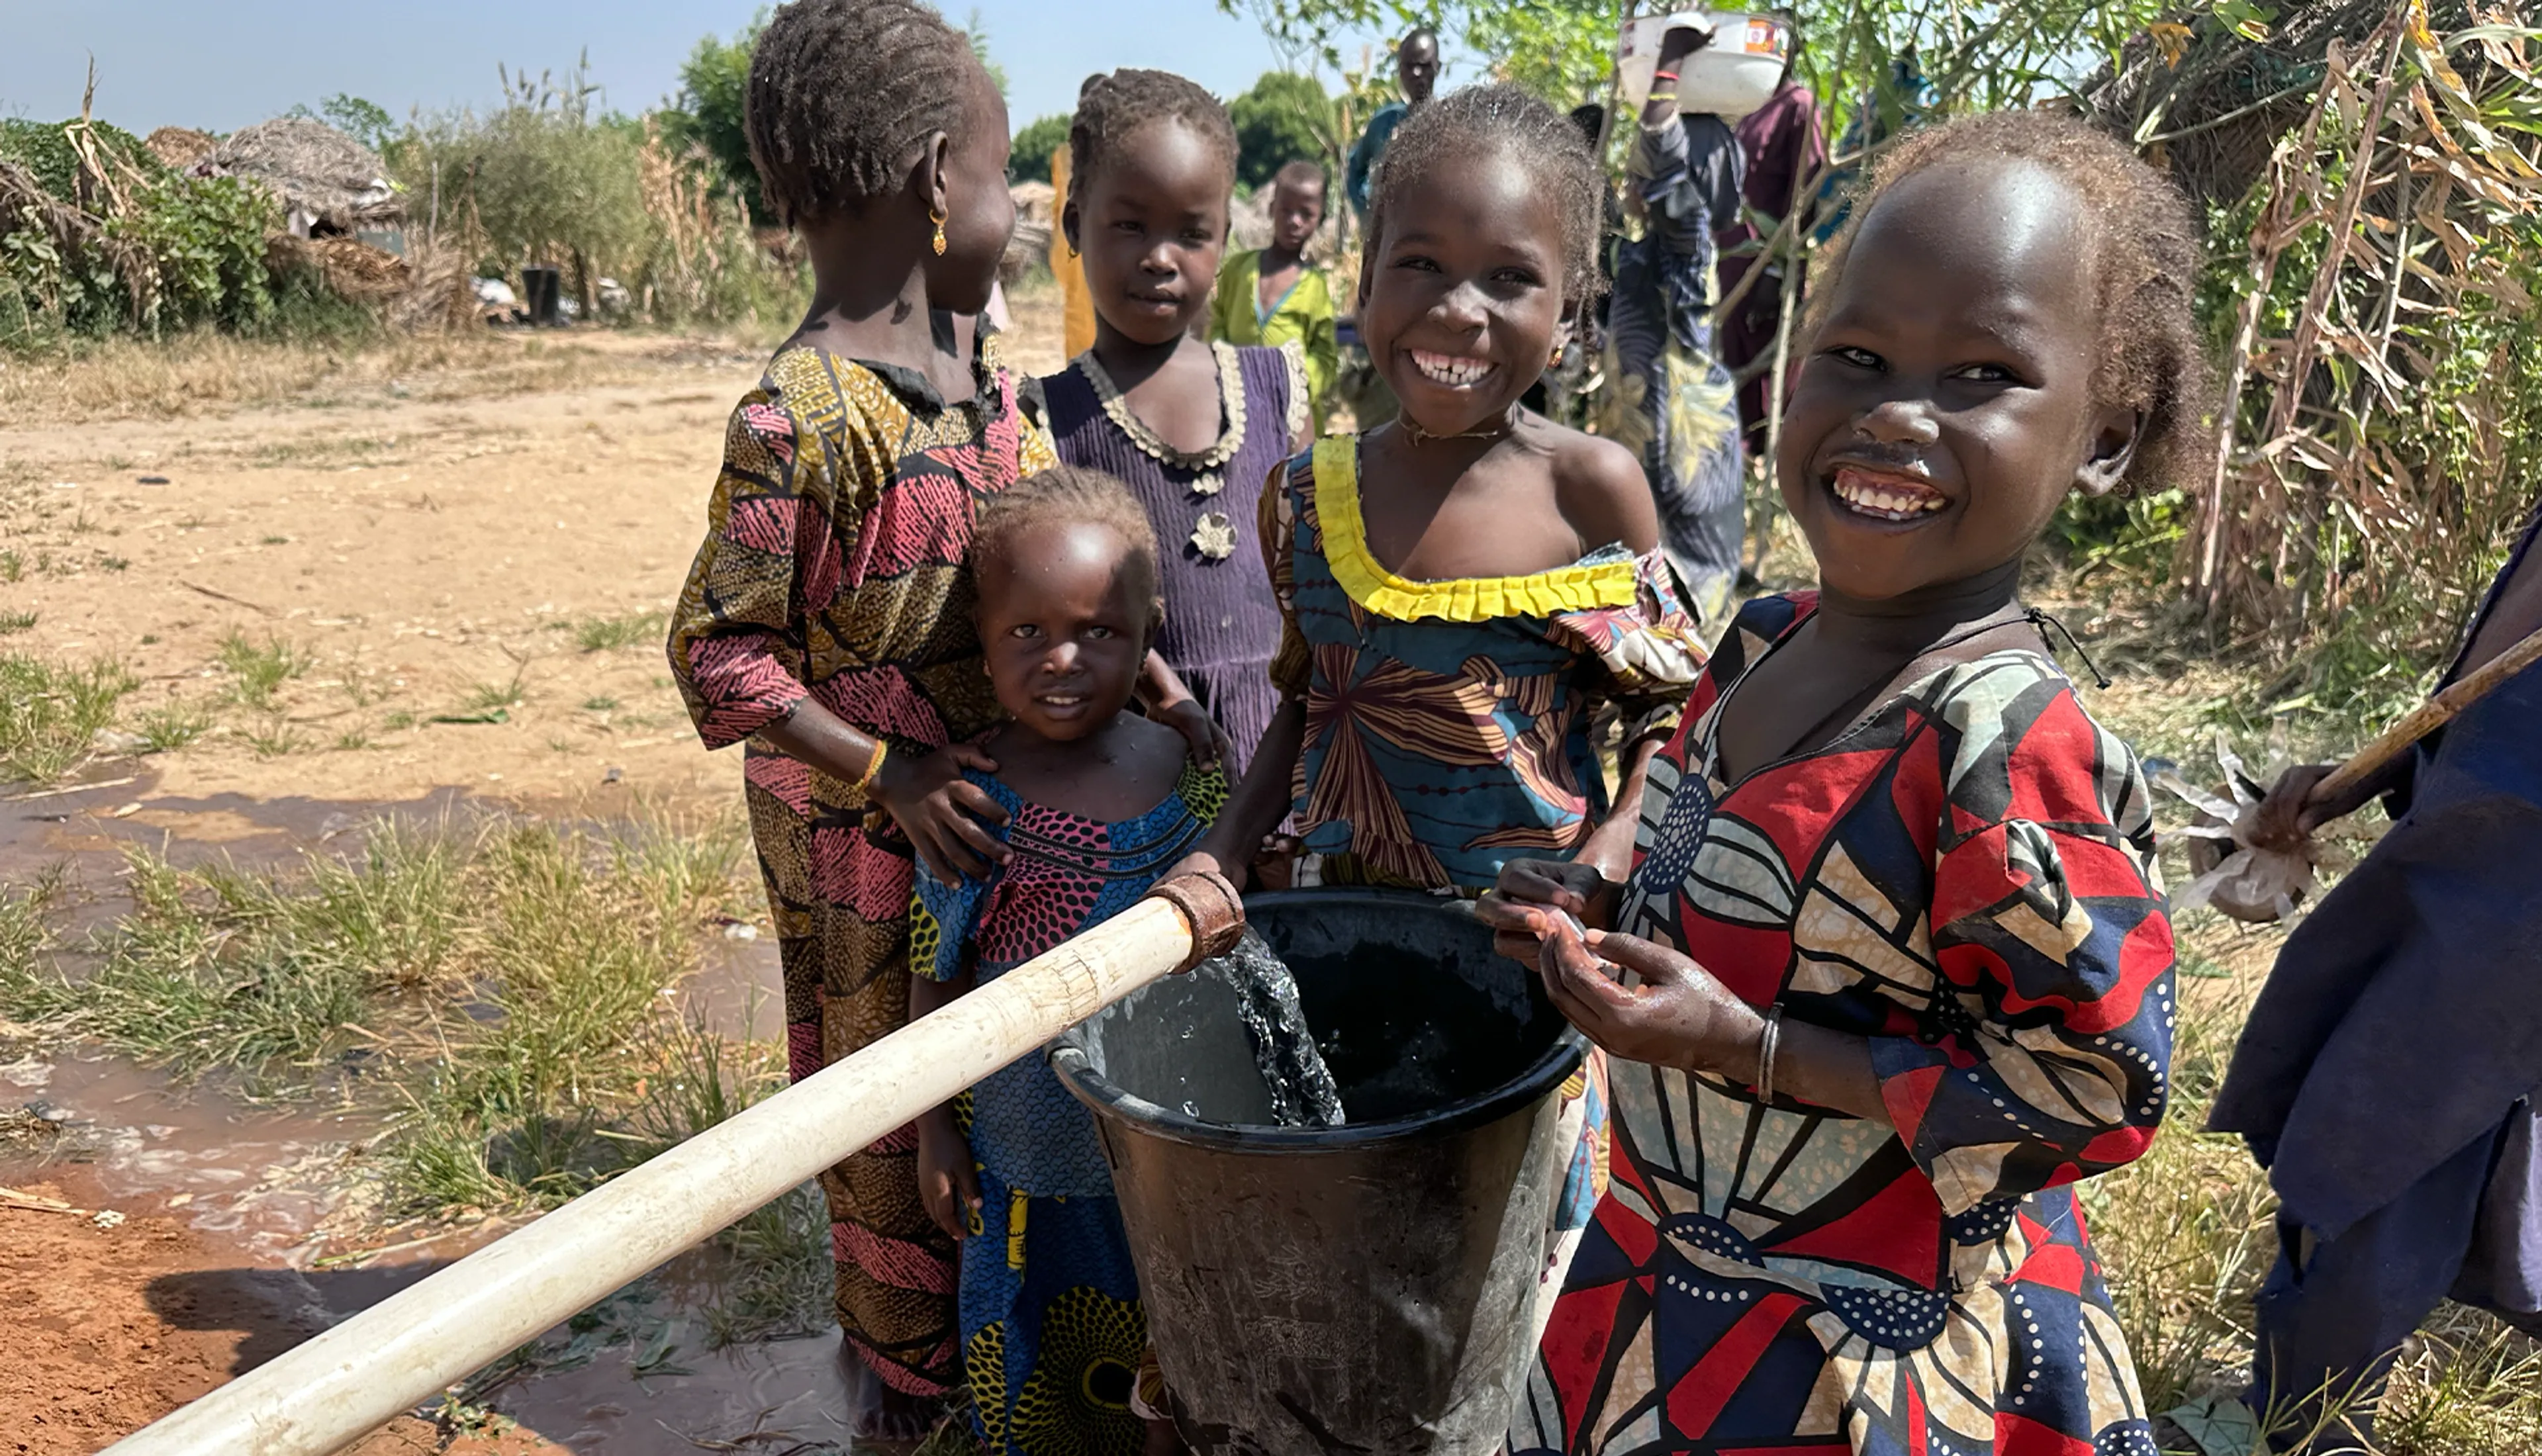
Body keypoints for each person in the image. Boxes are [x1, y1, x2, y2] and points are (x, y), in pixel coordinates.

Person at [1485, 110, 2207, 1455]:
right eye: (1858, 356)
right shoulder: (1764, 638)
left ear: (2104, 435)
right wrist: (1594, 888)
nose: (1894, 412)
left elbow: (2096, 1089)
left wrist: (1743, 1048)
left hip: (1868, 1342)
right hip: (1668, 1266)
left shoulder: (2006, 747)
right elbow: (1710, 857)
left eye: (1983, 372)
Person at [663, 3, 1215, 1438]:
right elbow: (719, 654)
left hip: (1020, 828)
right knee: (900, 1143)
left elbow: (1052, 568)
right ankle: (913, 1402)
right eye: (1004, 166)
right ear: (928, 177)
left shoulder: (990, 394)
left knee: (1039, 1104)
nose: (1023, 203)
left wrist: (1136, 670)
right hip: (871, 864)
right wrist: (886, 769)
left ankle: (1041, 1362)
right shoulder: (803, 414)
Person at [1174, 86, 1709, 1303]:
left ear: (1571, 315)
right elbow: (1310, 708)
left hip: (1524, 962)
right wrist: (1220, 854)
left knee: (1511, 1263)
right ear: (1366, 279)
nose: (1458, 313)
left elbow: (1673, 723)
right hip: (1335, 945)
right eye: (1420, 265)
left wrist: (1602, 873)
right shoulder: (1307, 496)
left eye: (1510, 280)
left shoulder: (1593, 491)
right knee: (1350, 1240)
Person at [908, 465, 1223, 1456]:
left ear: (1146, 633)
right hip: (1028, 1153)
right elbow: (936, 978)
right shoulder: (976, 804)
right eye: (1027, 634)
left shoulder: (1188, 774)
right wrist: (933, 1135)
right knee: (1045, 1353)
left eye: (1100, 632)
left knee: (1176, 1343)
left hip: (1174, 1151)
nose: (1064, 660)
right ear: (984, 638)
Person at [2210, 519, 2542, 1451]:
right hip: (2470, 879)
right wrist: (2379, 771)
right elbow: (2501, 677)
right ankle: (2303, 1423)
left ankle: (2304, 1424)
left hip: (2498, 913)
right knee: (2383, 1150)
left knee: (2372, 1152)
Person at [1045, 69, 1310, 776]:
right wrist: (1165, 695)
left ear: (1225, 241)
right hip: (1135, 755)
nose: (1160, 258)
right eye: (1130, 225)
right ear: (1075, 227)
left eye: (1192, 233)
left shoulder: (1276, 386)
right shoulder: (1048, 418)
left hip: (1289, 746)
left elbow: (1315, 571)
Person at [1599, 21, 1748, 630]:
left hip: (1683, 448)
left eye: (1641, 173)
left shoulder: (1686, 246)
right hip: (1651, 444)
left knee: (1685, 615)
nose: (1632, 179)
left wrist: (1669, 61)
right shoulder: (1645, 252)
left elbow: (1661, 145)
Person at [1715, 14, 1826, 456]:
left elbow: (1807, 193)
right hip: (1734, 267)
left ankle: (1764, 464)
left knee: (1764, 383)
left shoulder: (1799, 105)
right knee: (1732, 370)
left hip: (1765, 271)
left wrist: (1776, 272)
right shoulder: (1751, 105)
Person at [1211, 159, 1341, 433]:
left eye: (1306, 214)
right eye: (1286, 211)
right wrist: (1224, 368)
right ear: (1271, 209)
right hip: (1237, 406)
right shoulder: (1238, 270)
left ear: (1320, 220)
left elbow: (1326, 355)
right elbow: (1217, 321)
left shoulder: (1316, 288)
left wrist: (1297, 382)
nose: (1294, 221)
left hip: (1291, 417)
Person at [1343, 26, 1439, 218]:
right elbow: (1355, 168)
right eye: (1409, 66)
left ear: (1438, 68)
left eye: (1425, 65)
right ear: (1400, 70)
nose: (1417, 73)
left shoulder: (1450, 126)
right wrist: (1367, 213)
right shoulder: (1383, 124)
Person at [1049, 75, 1103, 361]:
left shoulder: (1120, 150)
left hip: (1109, 250)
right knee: (1080, 325)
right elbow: (1060, 208)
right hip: (1074, 253)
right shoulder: (1064, 155)